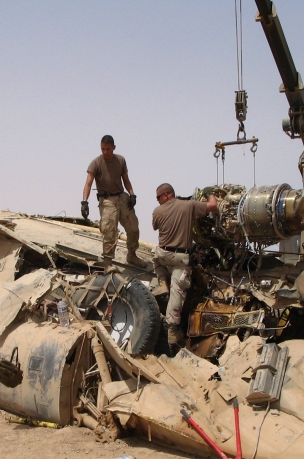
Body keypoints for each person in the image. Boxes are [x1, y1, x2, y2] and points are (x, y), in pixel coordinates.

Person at [152, 183, 218, 347]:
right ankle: (172, 331)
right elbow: (213, 206)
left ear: (166, 195)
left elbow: (155, 226)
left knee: (155, 256)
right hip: (181, 258)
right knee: (177, 290)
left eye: (158, 197)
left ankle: (162, 282)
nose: (158, 200)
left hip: (163, 255)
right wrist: (211, 193)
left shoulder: (157, 211)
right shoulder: (189, 206)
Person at [81, 135, 147, 271]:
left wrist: (132, 194)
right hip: (107, 200)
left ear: (114, 148)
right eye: (103, 149)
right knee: (109, 230)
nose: (105, 152)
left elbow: (126, 179)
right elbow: (88, 184)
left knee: (133, 227)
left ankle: (132, 255)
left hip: (121, 197)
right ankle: (108, 263)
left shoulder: (120, 160)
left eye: (108, 149)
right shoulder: (96, 163)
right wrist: (84, 202)